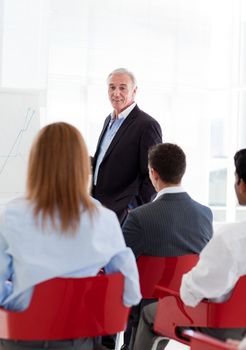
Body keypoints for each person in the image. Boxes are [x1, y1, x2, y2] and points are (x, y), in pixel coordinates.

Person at [0, 122, 141, 350]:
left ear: (35, 164)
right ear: (82, 167)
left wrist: (20, 295)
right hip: (80, 341)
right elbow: (130, 291)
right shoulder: (103, 219)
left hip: (21, 338)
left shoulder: (11, 215)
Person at [133, 148, 246, 350]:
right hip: (242, 325)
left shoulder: (231, 237)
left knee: (149, 313)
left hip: (218, 324)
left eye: (236, 178)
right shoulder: (205, 214)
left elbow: (193, 290)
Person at [122, 143, 213, 350]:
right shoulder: (205, 215)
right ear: (182, 171)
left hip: (147, 310)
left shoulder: (138, 218)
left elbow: (119, 264)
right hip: (191, 308)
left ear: (153, 173)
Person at [92, 68, 162, 225]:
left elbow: (153, 175)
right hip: (97, 209)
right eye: (112, 87)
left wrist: (132, 209)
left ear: (134, 91)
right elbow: (105, 162)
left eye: (122, 88)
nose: (116, 93)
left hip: (123, 215)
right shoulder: (108, 121)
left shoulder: (147, 125)